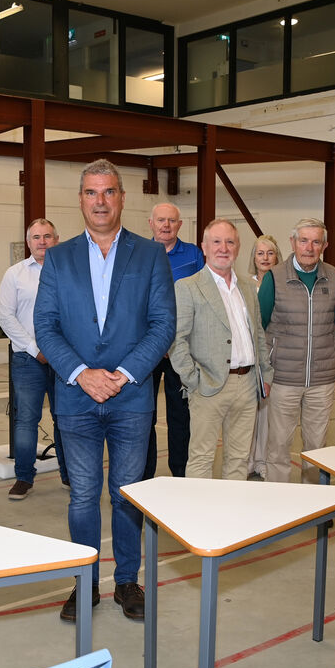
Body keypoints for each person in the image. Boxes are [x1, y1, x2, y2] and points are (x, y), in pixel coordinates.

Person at [34, 159, 175, 622]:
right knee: (83, 495)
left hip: (130, 397)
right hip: (76, 397)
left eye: (109, 192)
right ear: (80, 200)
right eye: (92, 193)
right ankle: (86, 582)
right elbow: (45, 326)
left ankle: (127, 580)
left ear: (121, 198)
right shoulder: (58, 257)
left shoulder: (150, 255)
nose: (100, 201)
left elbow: (162, 325)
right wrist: (81, 373)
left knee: (126, 492)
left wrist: (122, 373)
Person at [170, 219, 271, 479]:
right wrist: (193, 379)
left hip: (247, 384)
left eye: (230, 242)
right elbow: (176, 340)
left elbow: (257, 332)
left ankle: (231, 515)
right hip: (208, 386)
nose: (223, 248)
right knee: (202, 458)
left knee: (239, 458)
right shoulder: (188, 287)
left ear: (237, 248)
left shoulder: (248, 287)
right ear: (204, 247)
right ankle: (198, 518)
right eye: (216, 242)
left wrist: (265, 374)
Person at [257, 218, 335, 484]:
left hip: (321, 379)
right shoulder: (275, 277)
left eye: (316, 241)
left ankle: (314, 502)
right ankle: (278, 502)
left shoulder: (333, 275)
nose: (309, 247)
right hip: (283, 378)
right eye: (303, 240)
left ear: (324, 245)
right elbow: (260, 327)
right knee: (279, 445)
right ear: (293, 243)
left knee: (317, 446)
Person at [0, 218, 67, 500]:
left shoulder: (68, 273)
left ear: (56, 239)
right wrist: (34, 348)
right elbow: (6, 317)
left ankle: (70, 475)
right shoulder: (14, 274)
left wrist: (58, 350)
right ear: (28, 242)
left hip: (64, 359)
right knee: (26, 419)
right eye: (36, 237)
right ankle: (24, 477)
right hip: (28, 359)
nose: (42, 241)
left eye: (47, 236)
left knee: (66, 419)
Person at [143, 202, 204, 480]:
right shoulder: (138, 254)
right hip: (146, 349)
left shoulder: (194, 255)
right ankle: (144, 475)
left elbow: (204, 299)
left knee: (181, 415)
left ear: (180, 225)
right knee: (144, 415)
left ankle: (181, 475)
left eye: (172, 221)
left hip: (182, 349)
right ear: (151, 223)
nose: (166, 225)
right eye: (161, 220)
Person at [246, 234, 282, 481]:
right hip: (249, 357)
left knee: (269, 415)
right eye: (260, 253)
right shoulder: (243, 284)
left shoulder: (283, 283)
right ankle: (247, 462)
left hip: (275, 357)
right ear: (254, 257)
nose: (265, 258)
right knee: (248, 413)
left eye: (270, 253)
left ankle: (263, 461)